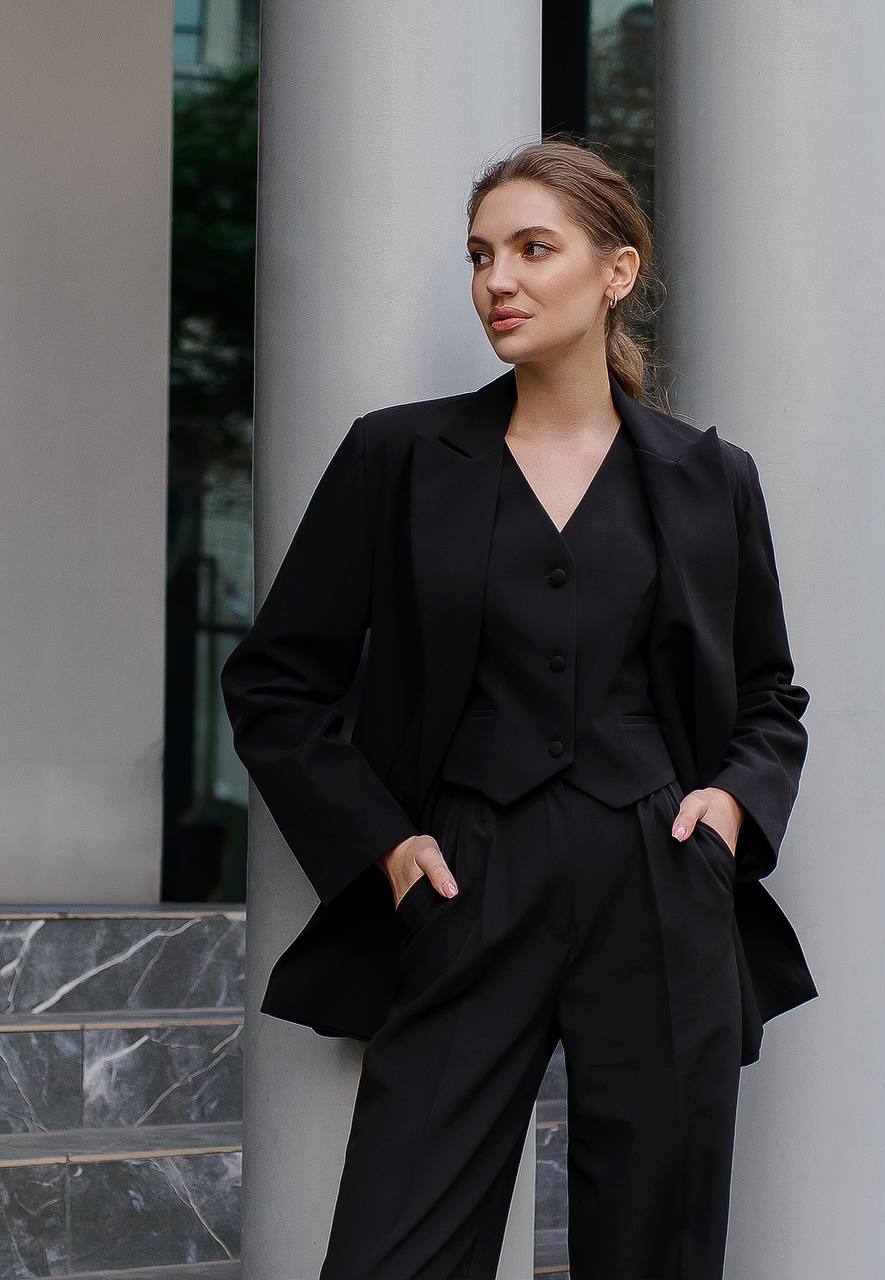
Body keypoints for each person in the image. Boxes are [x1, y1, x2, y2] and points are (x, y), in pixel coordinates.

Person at [220, 137, 818, 1280]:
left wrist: (733, 807)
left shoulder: (708, 476)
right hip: (464, 876)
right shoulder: (397, 456)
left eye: (533, 248)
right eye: (481, 254)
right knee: (396, 1247)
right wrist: (382, 844)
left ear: (616, 271)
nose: (498, 278)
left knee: (655, 1245)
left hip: (658, 878)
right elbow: (275, 677)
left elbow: (767, 690)